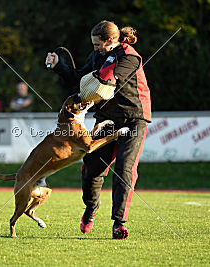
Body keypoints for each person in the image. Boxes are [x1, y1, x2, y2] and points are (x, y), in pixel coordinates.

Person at [45, 20, 151, 239]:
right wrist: (59, 65)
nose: (94, 48)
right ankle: (91, 207)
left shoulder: (130, 56)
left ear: (110, 41)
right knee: (92, 169)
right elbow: (79, 79)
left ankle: (119, 223)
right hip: (107, 119)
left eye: (97, 44)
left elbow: (108, 82)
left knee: (125, 169)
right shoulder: (97, 56)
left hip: (133, 119)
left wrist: (87, 92)